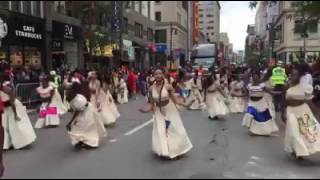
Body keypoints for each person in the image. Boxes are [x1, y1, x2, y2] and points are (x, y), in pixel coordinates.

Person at [139, 68, 193, 160]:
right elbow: (151, 104)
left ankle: (177, 150)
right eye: (156, 74)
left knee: (175, 130)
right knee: (161, 132)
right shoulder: (151, 88)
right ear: (153, 76)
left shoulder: (168, 86)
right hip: (159, 112)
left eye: (160, 73)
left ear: (163, 75)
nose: (158, 75)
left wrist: (186, 104)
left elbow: (176, 101)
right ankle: (165, 151)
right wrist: (145, 110)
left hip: (170, 110)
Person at [284, 65, 320, 160]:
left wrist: (316, 113)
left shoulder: (305, 87)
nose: (293, 76)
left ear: (300, 76)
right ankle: (296, 150)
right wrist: (283, 111)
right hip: (291, 111)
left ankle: (300, 152)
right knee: (294, 132)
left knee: (307, 132)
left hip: (303, 111)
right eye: (292, 74)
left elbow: (309, 101)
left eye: (295, 75)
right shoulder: (287, 86)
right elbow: (284, 100)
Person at [66, 82, 107, 149]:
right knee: (78, 126)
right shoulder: (72, 98)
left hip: (87, 112)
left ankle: (89, 142)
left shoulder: (78, 99)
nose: (67, 93)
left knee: (83, 126)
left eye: (68, 92)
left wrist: (70, 122)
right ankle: (81, 141)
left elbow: (77, 111)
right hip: (83, 111)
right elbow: (75, 109)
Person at [0, 77, 36, 150]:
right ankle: (6, 145)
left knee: (15, 126)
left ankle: (23, 141)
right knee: (4, 126)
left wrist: (15, 115)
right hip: (4, 108)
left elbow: (12, 104)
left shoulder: (8, 90)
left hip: (13, 107)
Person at [242, 70, 279, 136]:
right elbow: (246, 94)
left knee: (264, 118)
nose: (255, 78)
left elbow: (270, 92)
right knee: (249, 114)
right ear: (252, 78)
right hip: (252, 103)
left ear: (259, 78)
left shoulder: (262, 85)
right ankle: (252, 129)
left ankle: (265, 131)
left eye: (256, 77)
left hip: (261, 103)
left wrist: (280, 93)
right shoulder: (249, 85)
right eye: (254, 77)